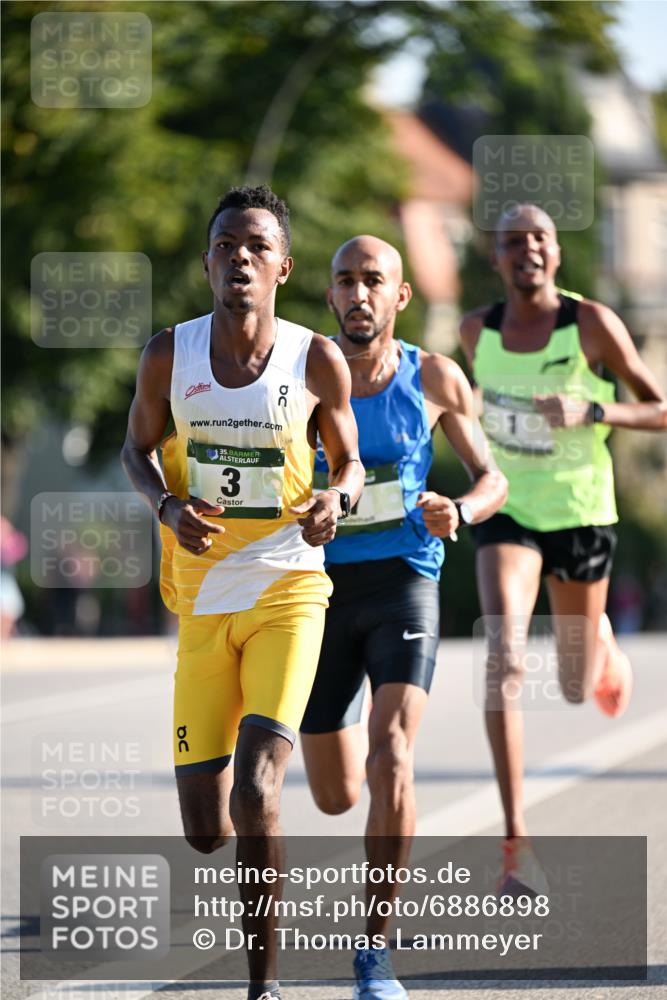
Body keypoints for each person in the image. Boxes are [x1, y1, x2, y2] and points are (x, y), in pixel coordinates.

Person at [121, 185, 364, 1000]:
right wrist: (165, 504)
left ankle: (263, 988)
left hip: (289, 589)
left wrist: (337, 498)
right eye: (226, 245)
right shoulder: (170, 353)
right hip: (200, 601)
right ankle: (242, 863)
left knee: (260, 789)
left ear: (283, 268)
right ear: (206, 262)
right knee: (204, 830)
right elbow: (136, 449)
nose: (240, 259)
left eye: (256, 247)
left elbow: (352, 464)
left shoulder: (314, 358)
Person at [300, 235, 507, 1000]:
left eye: (373, 281)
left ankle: (374, 953)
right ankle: (344, 734)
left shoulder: (434, 377)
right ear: (328, 296)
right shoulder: (296, 373)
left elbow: (492, 479)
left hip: (404, 584)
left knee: (392, 755)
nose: (358, 294)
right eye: (345, 282)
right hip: (316, 594)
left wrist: (457, 507)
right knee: (334, 794)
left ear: (399, 296)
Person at [459, 203, 667, 894]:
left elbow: (659, 408)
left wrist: (594, 411)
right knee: (504, 657)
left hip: (581, 513)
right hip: (508, 510)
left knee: (577, 687)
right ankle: (516, 844)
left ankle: (598, 638)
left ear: (556, 253)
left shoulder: (591, 325)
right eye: (511, 241)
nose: (526, 250)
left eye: (538, 239)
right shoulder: (474, 332)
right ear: (495, 257)